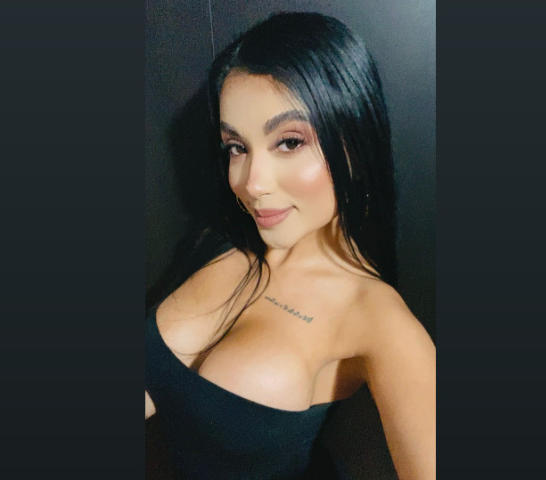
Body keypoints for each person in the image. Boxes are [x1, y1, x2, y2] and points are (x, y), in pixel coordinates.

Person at [145, 11, 435, 480]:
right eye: (237, 147)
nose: (252, 183)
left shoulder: (379, 321)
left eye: (289, 142)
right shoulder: (216, 243)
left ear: (353, 143)